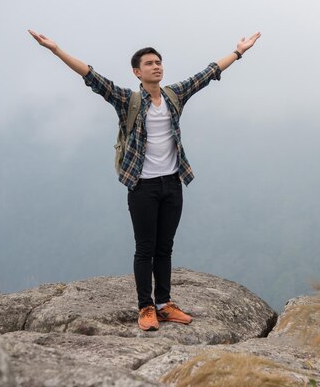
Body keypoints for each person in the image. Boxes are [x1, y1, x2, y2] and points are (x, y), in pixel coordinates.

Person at [28, 29, 261, 331]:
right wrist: (56, 50)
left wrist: (239, 51)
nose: (156, 66)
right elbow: (93, 78)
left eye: (159, 62)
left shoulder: (174, 96)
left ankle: (164, 304)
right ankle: (145, 307)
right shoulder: (128, 101)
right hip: (143, 186)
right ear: (137, 72)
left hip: (173, 183)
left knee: (165, 248)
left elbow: (207, 74)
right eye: (149, 63)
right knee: (145, 248)